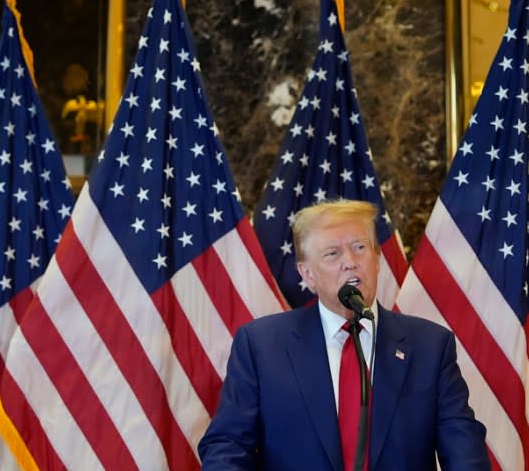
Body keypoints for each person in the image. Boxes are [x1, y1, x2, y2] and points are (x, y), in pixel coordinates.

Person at [198, 199, 491, 470]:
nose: (350, 261)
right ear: (307, 274)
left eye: (360, 248)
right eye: (332, 253)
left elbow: (464, 451)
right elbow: (228, 445)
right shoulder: (261, 345)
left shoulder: (430, 346)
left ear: (377, 260)